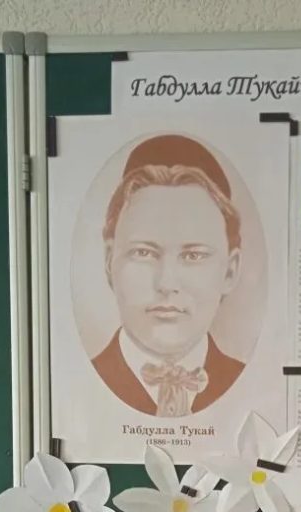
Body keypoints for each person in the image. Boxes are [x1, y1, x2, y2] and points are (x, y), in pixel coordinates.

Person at [92, 134, 245, 417]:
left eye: (193, 255)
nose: (166, 284)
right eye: (143, 253)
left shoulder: (251, 382)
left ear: (230, 270)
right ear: (109, 261)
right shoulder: (83, 381)